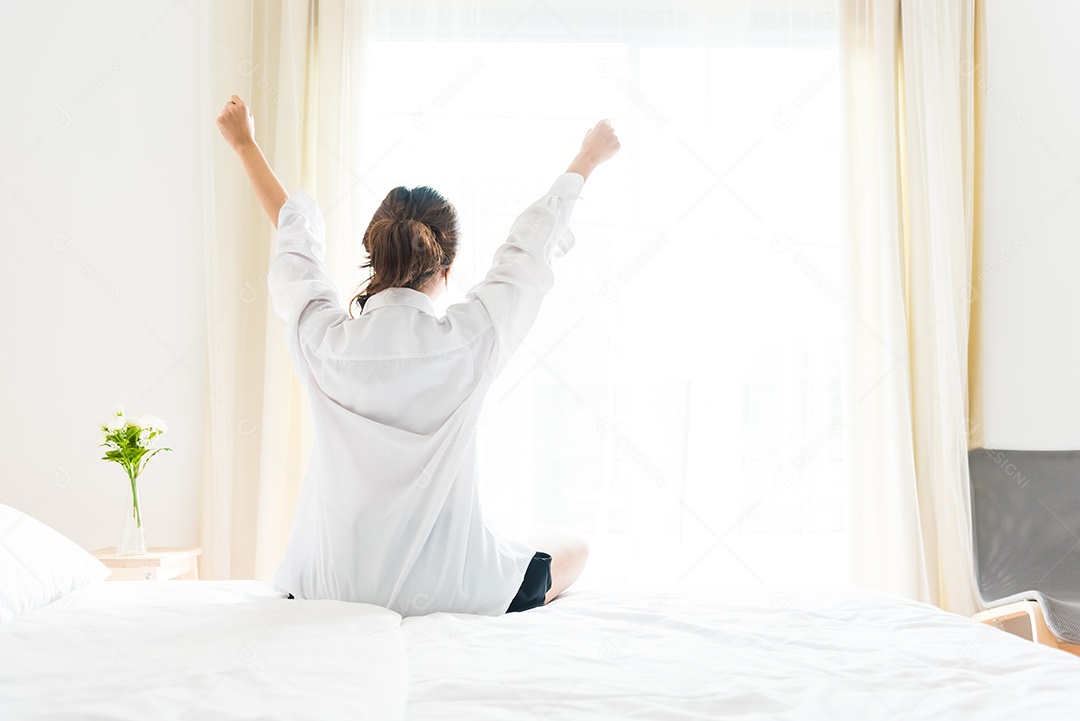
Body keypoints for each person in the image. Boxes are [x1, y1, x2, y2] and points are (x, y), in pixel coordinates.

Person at [215, 94, 620, 616]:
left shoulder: (323, 341)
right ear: (445, 267)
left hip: (330, 585)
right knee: (576, 548)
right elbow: (528, 251)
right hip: (455, 588)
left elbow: (296, 249)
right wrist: (586, 159)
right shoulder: (473, 340)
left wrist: (246, 146)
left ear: (373, 256)